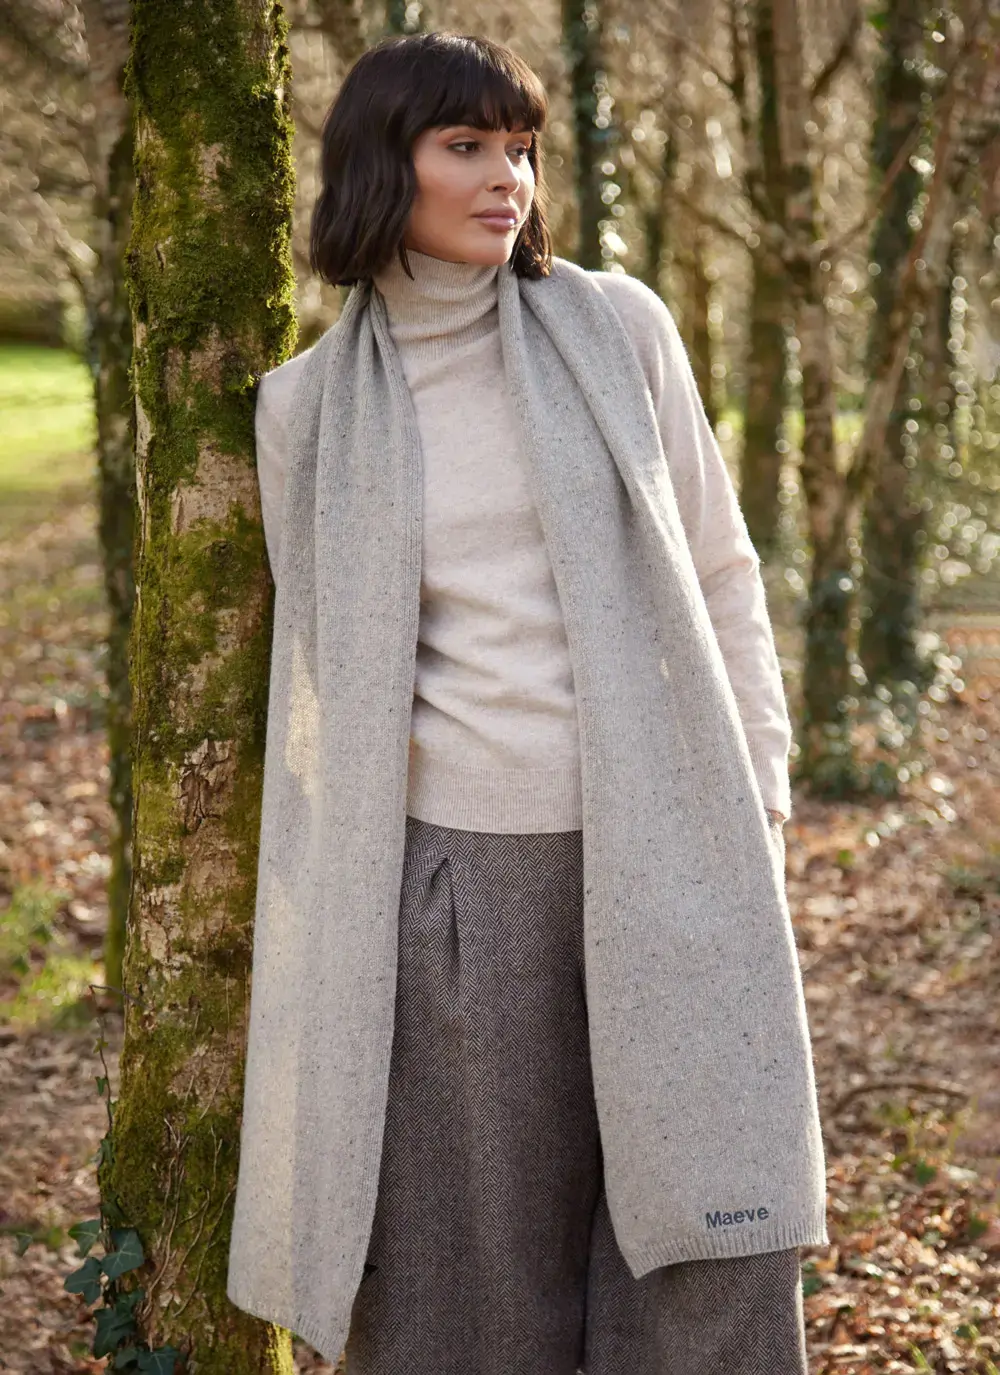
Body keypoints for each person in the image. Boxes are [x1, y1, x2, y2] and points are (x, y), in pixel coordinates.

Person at [226, 30, 828, 1375]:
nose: (509, 178)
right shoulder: (306, 412)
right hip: (458, 886)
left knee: (706, 1232)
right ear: (382, 166)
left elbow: (722, 572)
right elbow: (329, 678)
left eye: (522, 148)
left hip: (668, 836)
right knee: (474, 1274)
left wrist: (760, 797)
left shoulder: (619, 328)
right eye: (468, 147)